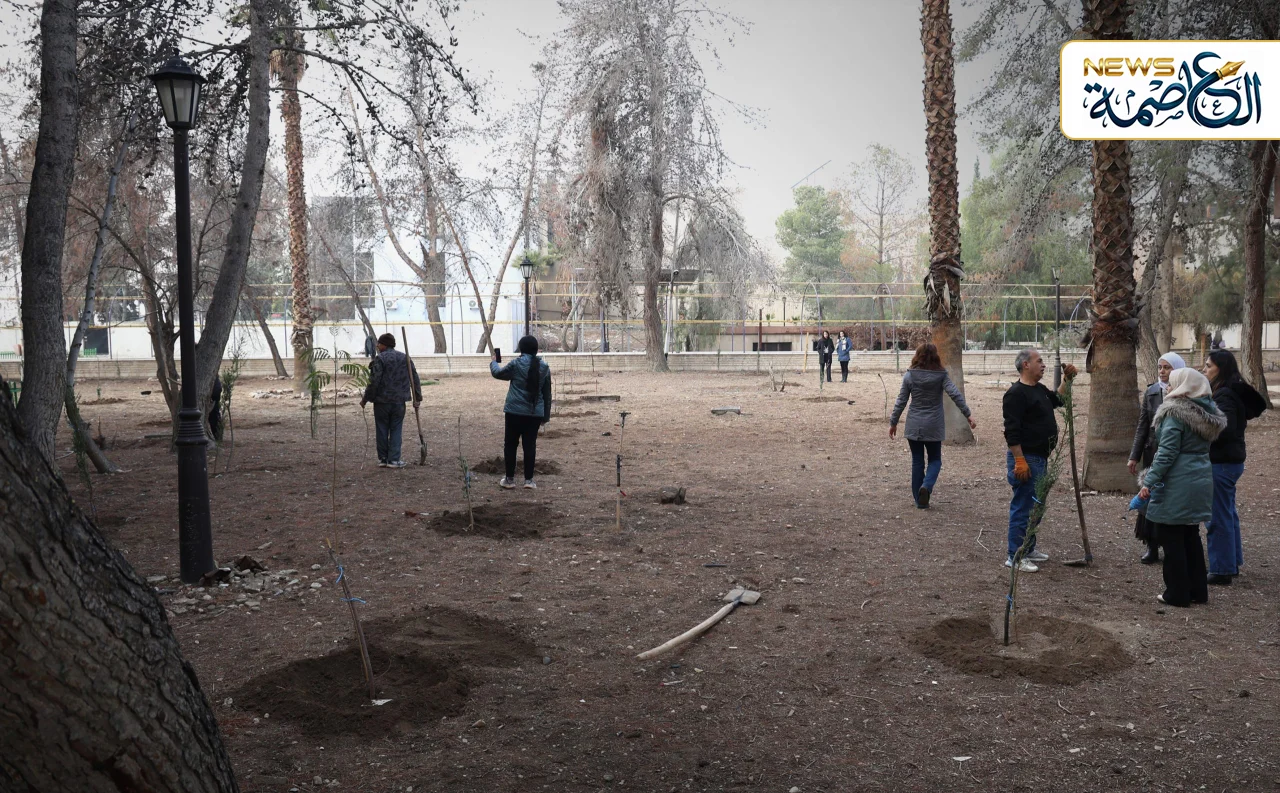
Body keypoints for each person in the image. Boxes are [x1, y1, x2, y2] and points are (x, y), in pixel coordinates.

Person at [1138, 368, 1225, 607]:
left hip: (1178, 481)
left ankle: (1177, 593)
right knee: (1190, 535)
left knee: (1171, 536)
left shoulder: (1175, 414)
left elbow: (1166, 453)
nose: (1167, 386)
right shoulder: (1206, 413)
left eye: (1172, 382)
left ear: (1183, 386)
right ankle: (1197, 590)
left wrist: (1149, 481)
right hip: (1200, 478)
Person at [1002, 348, 1077, 572]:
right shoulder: (1015, 394)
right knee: (1023, 507)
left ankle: (1028, 547)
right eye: (1039, 361)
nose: (1043, 365)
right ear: (1026, 364)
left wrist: (1067, 380)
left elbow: (1058, 400)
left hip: (1041, 458)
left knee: (1036, 506)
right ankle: (1015, 556)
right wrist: (1019, 460)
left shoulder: (1039, 389)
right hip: (1027, 458)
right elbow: (1012, 432)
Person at [1203, 349, 1267, 585]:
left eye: (1208, 366)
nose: (1204, 369)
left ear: (1221, 369)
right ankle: (1232, 562)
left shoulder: (1224, 395)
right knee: (1227, 513)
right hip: (1228, 462)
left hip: (1222, 463)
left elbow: (1224, 429)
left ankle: (1222, 570)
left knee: (1217, 517)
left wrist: (1200, 425)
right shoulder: (1225, 391)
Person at [889, 342, 976, 508]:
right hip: (934, 425)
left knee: (917, 462)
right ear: (936, 357)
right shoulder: (941, 376)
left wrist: (893, 422)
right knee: (935, 460)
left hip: (914, 424)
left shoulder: (909, 376)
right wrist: (968, 414)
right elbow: (955, 394)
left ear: (917, 356)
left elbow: (901, 401)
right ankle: (927, 486)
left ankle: (920, 501)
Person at [1128, 352, 1185, 564]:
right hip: (1152, 454)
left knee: (1170, 497)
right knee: (1149, 496)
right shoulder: (1151, 392)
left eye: (1167, 367)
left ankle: (1171, 545)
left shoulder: (1186, 393)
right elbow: (1143, 425)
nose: (1162, 372)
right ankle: (1151, 545)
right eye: (1160, 367)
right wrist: (1134, 456)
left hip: (1176, 456)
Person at [491, 335, 552, 489]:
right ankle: (529, 481)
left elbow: (498, 373)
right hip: (534, 413)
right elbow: (547, 394)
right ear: (536, 350)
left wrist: (493, 362)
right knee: (530, 445)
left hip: (514, 412)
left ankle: (509, 480)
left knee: (510, 444)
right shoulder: (544, 367)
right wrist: (545, 416)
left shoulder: (516, 364)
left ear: (521, 349)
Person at [360, 333, 422, 469]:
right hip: (399, 401)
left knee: (381, 429)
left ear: (385, 345)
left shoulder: (380, 359)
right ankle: (393, 460)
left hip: (381, 402)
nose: (377, 346)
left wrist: (366, 399)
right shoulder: (405, 358)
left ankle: (383, 458)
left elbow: (374, 381)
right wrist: (417, 398)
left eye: (379, 343)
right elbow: (415, 378)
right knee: (396, 429)